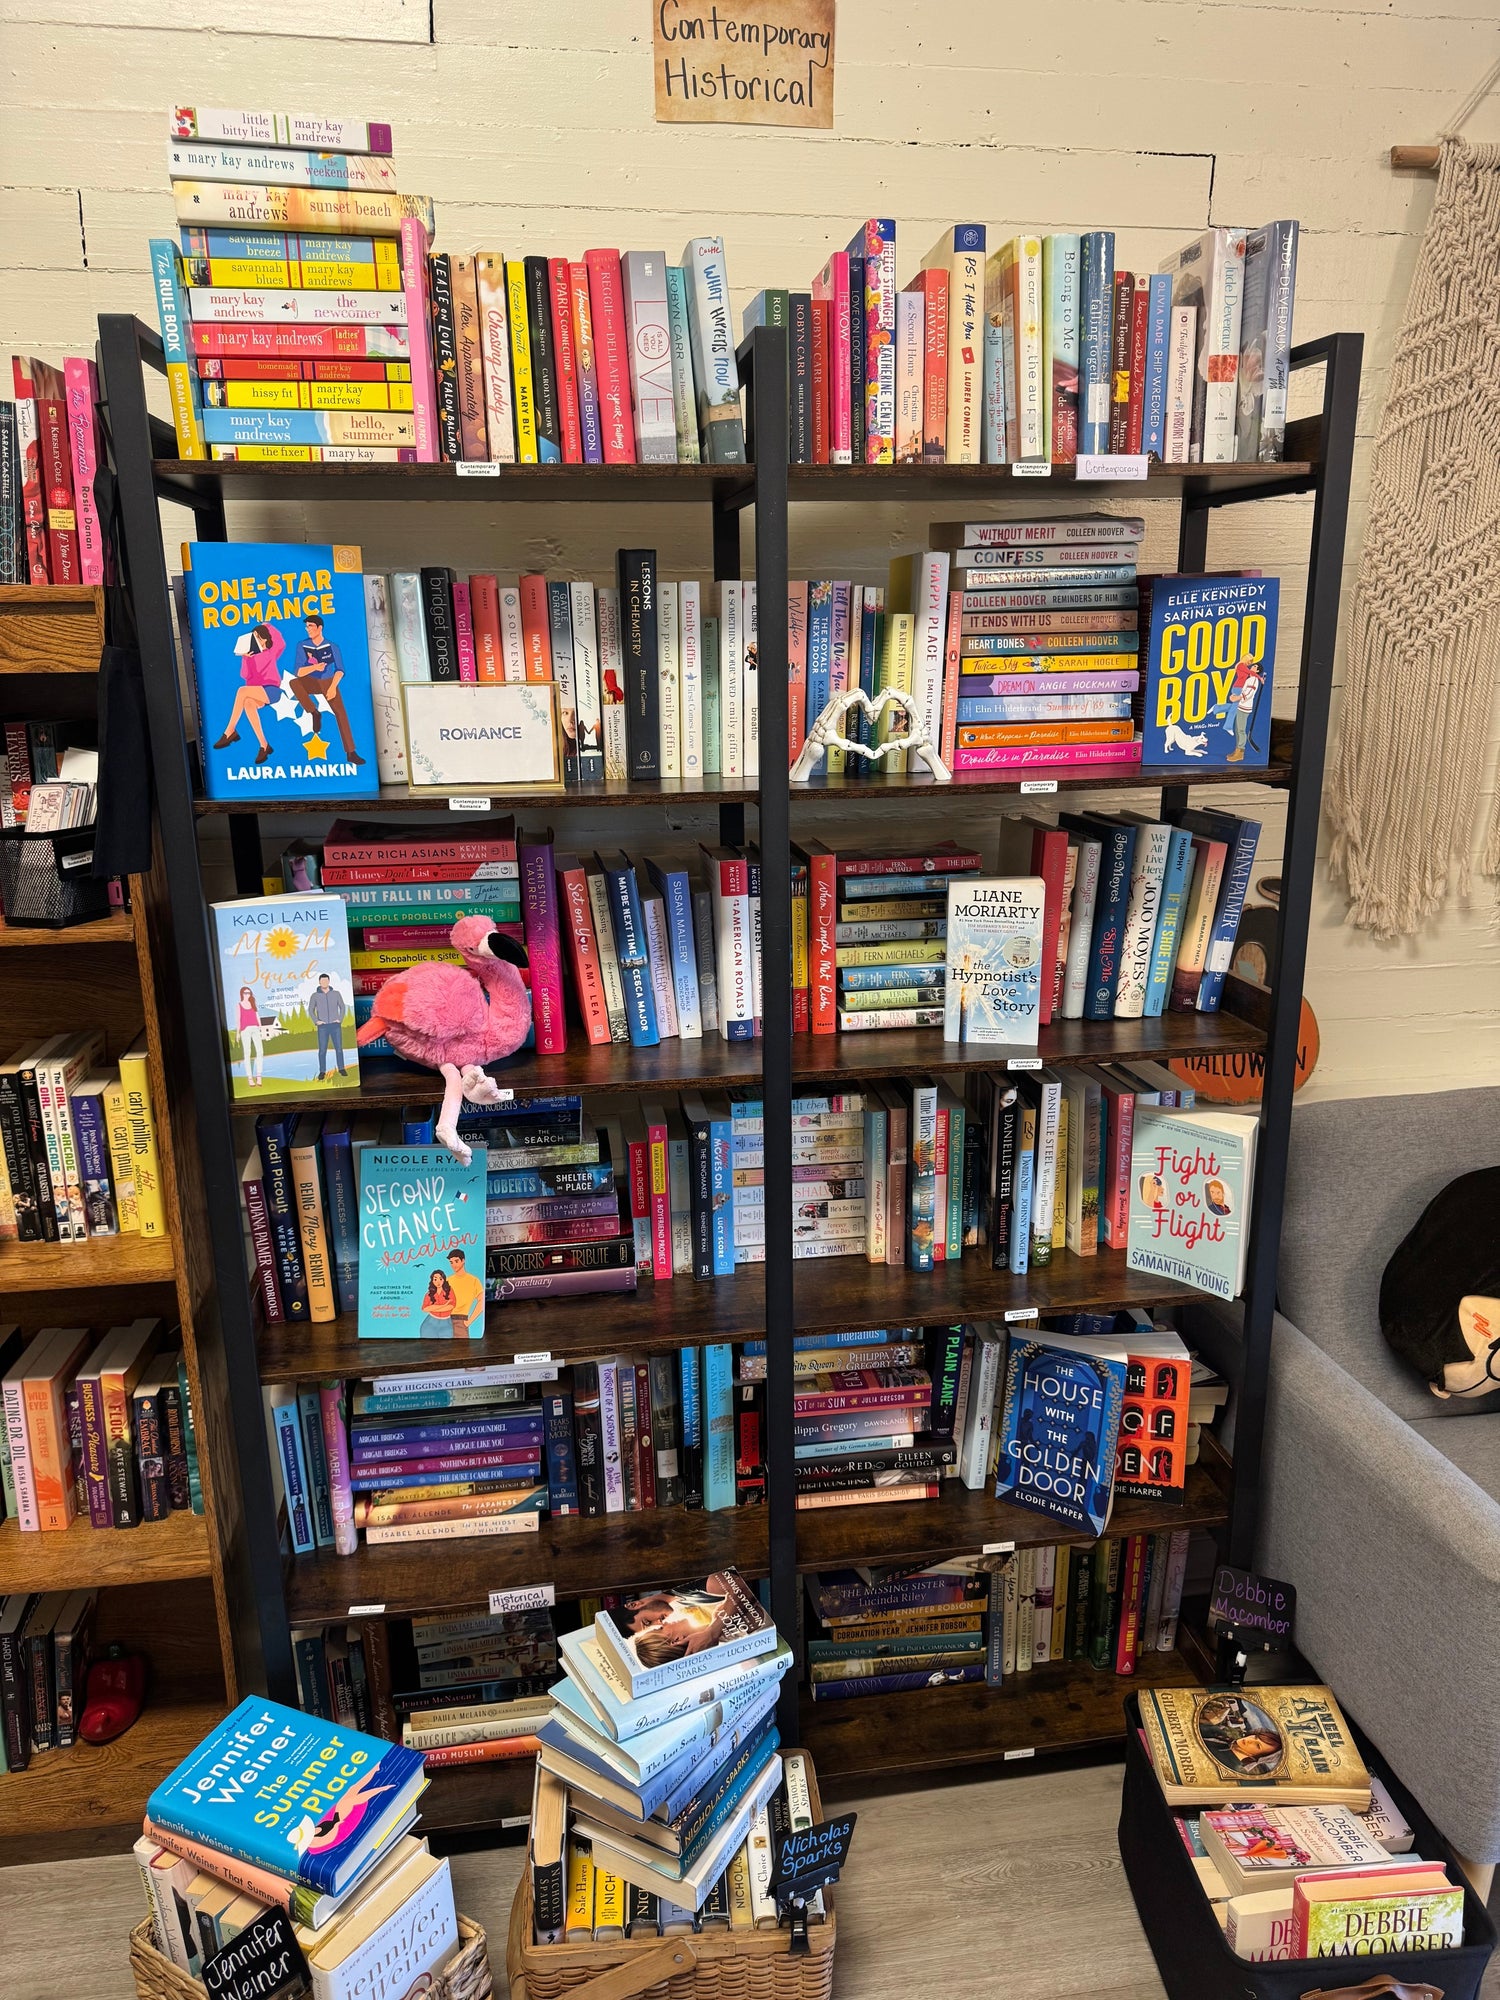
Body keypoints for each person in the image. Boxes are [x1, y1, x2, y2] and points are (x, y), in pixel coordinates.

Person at [290, 614, 365, 764]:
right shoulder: (302, 645)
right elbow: (298, 672)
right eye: (306, 627)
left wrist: (332, 687)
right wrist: (314, 667)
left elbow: (340, 670)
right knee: (294, 682)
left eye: (310, 626)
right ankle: (314, 712)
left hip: (328, 681)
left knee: (340, 712)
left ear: (320, 628)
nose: (307, 629)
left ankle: (351, 752)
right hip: (311, 680)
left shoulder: (332, 646)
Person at [214, 622, 284, 766]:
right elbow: (244, 675)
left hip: (271, 690)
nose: (255, 639)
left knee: (241, 691)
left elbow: (280, 640)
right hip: (255, 691)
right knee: (248, 703)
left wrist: (264, 624)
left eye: (258, 637)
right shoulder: (250, 656)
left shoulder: (271, 652)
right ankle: (264, 746)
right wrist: (245, 657)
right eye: (254, 637)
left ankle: (230, 730)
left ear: (264, 639)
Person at [307, 971, 348, 1080]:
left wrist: (339, 1019)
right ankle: (322, 1071)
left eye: (326, 980)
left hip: (335, 1025)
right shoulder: (315, 996)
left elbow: (342, 1007)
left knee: (339, 1048)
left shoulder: (336, 993)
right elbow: (310, 1010)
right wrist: (316, 1021)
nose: (324, 982)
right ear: (319, 982)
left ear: (329, 981)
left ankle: (341, 1068)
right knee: (322, 1050)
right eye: (322, 981)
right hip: (323, 1026)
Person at [444, 1246, 485, 1335]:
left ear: (463, 1260)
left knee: (461, 1347)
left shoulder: (473, 1280)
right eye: (451, 1262)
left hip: (460, 1320)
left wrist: (469, 1322)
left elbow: (482, 1301)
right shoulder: (448, 1280)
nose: (453, 1265)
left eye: (456, 1261)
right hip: (445, 1320)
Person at [236, 984, 265, 1086]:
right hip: (245, 1030)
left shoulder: (253, 1004)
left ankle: (259, 1076)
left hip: (255, 1028)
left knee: (260, 1051)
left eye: (249, 993)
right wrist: (237, 1033)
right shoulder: (239, 1005)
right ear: (242, 994)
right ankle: (249, 1077)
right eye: (245, 993)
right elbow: (238, 1020)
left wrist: (260, 1027)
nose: (247, 995)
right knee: (247, 1053)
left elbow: (257, 1016)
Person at [418, 1270, 456, 1336]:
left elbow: (451, 1306)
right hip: (430, 1323)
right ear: (432, 1281)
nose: (438, 1282)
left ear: (444, 1280)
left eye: (440, 1279)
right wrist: (444, 1305)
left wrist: (433, 1308)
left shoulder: (449, 1291)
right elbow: (424, 1309)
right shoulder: (429, 1294)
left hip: (446, 1323)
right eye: (435, 1279)